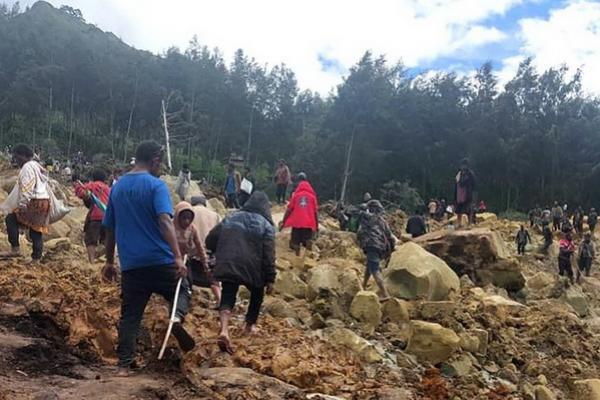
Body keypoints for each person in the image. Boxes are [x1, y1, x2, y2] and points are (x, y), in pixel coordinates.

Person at [101, 141, 194, 376]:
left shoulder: (118, 187)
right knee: (183, 287)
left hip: (132, 265)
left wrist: (110, 262)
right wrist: (177, 257)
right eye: (160, 162)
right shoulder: (156, 186)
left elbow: (110, 229)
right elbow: (164, 221)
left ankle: (123, 365)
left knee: (131, 314)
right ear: (154, 160)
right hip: (160, 260)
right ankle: (175, 317)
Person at [206, 192, 276, 354]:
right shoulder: (266, 225)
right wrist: (270, 278)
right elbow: (269, 254)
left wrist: (218, 251)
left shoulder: (231, 217)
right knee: (257, 293)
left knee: (229, 293)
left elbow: (210, 239)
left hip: (229, 262)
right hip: (253, 267)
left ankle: (224, 329)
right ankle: (249, 326)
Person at [2, 144, 50, 262]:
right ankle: (36, 258)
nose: (16, 160)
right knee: (36, 230)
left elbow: (27, 185)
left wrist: (23, 203)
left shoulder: (27, 167)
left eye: (17, 157)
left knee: (11, 219)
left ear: (23, 156)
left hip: (33, 202)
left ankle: (15, 249)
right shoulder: (37, 166)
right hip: (44, 201)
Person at [173, 201, 220, 304]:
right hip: (175, 260)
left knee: (187, 280)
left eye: (189, 219)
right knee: (213, 281)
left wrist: (205, 263)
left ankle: (183, 303)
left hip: (188, 258)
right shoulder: (215, 215)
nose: (187, 221)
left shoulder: (191, 228)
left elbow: (199, 245)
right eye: (184, 218)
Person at [357, 200, 394, 300]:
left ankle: (385, 294)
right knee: (369, 266)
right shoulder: (382, 221)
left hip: (371, 244)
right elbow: (390, 236)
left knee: (375, 270)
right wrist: (391, 250)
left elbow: (360, 216)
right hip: (380, 247)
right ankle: (363, 286)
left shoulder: (367, 218)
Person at [74, 168, 111, 263]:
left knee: (91, 240)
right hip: (108, 216)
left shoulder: (93, 185)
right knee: (105, 239)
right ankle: (104, 257)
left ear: (93, 178)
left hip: (95, 216)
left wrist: (77, 186)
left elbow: (80, 192)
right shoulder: (108, 188)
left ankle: (92, 262)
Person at [281, 179, 319, 256]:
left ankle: (297, 256)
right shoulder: (312, 197)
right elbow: (315, 212)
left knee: (295, 242)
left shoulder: (296, 196)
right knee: (308, 241)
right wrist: (316, 226)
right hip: (308, 224)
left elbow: (289, 210)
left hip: (296, 223)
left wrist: (283, 221)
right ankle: (307, 259)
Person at [454, 158, 476, 229]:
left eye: (464, 165)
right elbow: (456, 183)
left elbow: (473, 183)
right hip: (459, 194)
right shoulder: (459, 173)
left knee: (469, 209)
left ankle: (470, 223)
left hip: (467, 193)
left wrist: (473, 192)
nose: (463, 167)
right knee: (458, 209)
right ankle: (459, 223)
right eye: (462, 165)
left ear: (467, 166)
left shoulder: (470, 174)